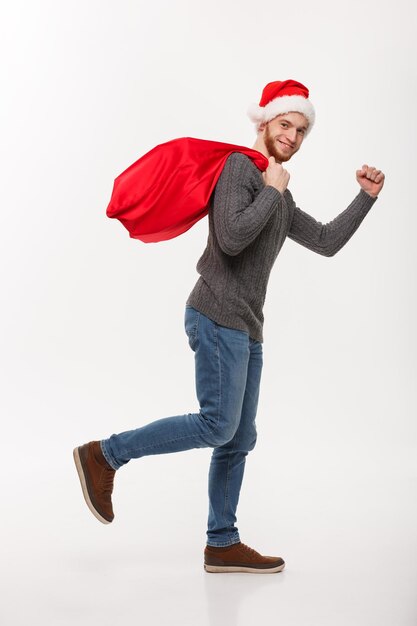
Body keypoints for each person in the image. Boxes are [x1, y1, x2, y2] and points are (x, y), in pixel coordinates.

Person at [73, 79, 385, 574]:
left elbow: (325, 241)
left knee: (238, 437)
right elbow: (235, 238)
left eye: (302, 130)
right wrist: (271, 191)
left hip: (246, 326)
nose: (293, 137)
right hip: (216, 313)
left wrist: (365, 197)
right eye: (286, 124)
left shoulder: (277, 189)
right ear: (264, 123)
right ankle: (105, 455)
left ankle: (222, 542)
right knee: (218, 424)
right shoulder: (239, 169)